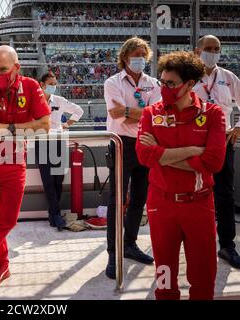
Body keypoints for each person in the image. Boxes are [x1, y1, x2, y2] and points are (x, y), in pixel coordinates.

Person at [136, 51, 226, 300]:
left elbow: (213, 162)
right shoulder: (151, 113)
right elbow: (145, 156)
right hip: (160, 206)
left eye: (170, 83)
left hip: (200, 205)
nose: (163, 88)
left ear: (190, 85)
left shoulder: (213, 114)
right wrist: (192, 152)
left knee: (204, 277)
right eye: (162, 81)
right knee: (164, 277)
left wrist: (162, 153)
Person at [0, 45, 50, 289]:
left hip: (13, 160)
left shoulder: (32, 86)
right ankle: (0, 265)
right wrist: (22, 126)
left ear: (16, 67)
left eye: (2, 69)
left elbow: (44, 125)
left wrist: (4, 129)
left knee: (7, 218)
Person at [103, 36, 161, 279]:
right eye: (134, 55)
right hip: (121, 144)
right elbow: (119, 118)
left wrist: (130, 111)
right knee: (117, 199)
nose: (139, 60)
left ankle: (130, 244)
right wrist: (143, 114)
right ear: (125, 57)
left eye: (142, 55)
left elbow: (158, 116)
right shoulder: (112, 82)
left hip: (146, 142)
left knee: (140, 198)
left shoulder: (153, 83)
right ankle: (113, 253)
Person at [193, 35, 240, 269]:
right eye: (208, 48)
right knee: (194, 192)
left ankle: (227, 245)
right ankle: (195, 243)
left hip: (222, 141)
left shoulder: (228, 78)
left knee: (224, 193)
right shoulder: (187, 77)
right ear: (197, 51)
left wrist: (239, 127)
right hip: (194, 143)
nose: (213, 52)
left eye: (217, 49)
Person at [37, 72, 84, 231]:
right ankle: (56, 214)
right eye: (51, 83)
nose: (54, 87)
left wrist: (67, 124)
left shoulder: (59, 100)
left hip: (59, 141)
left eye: (55, 84)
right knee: (48, 180)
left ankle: (53, 214)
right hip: (41, 142)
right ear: (42, 84)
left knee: (58, 180)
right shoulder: (34, 100)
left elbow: (79, 111)